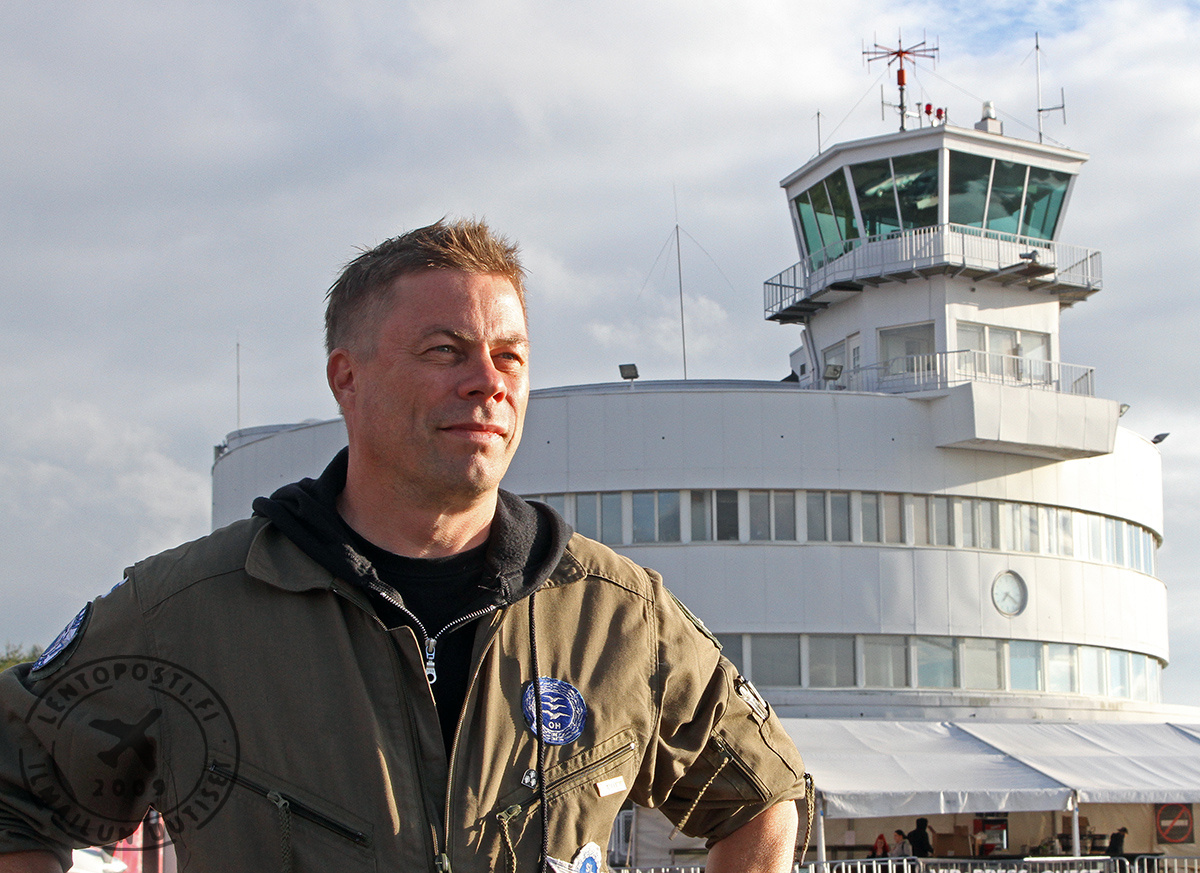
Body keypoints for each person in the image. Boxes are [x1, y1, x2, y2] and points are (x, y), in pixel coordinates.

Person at [0, 219, 809, 873]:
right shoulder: (188, 612)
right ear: (346, 378)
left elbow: (764, 794)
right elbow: (14, 791)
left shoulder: (618, 617)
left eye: (509, 356)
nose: (488, 381)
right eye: (445, 351)